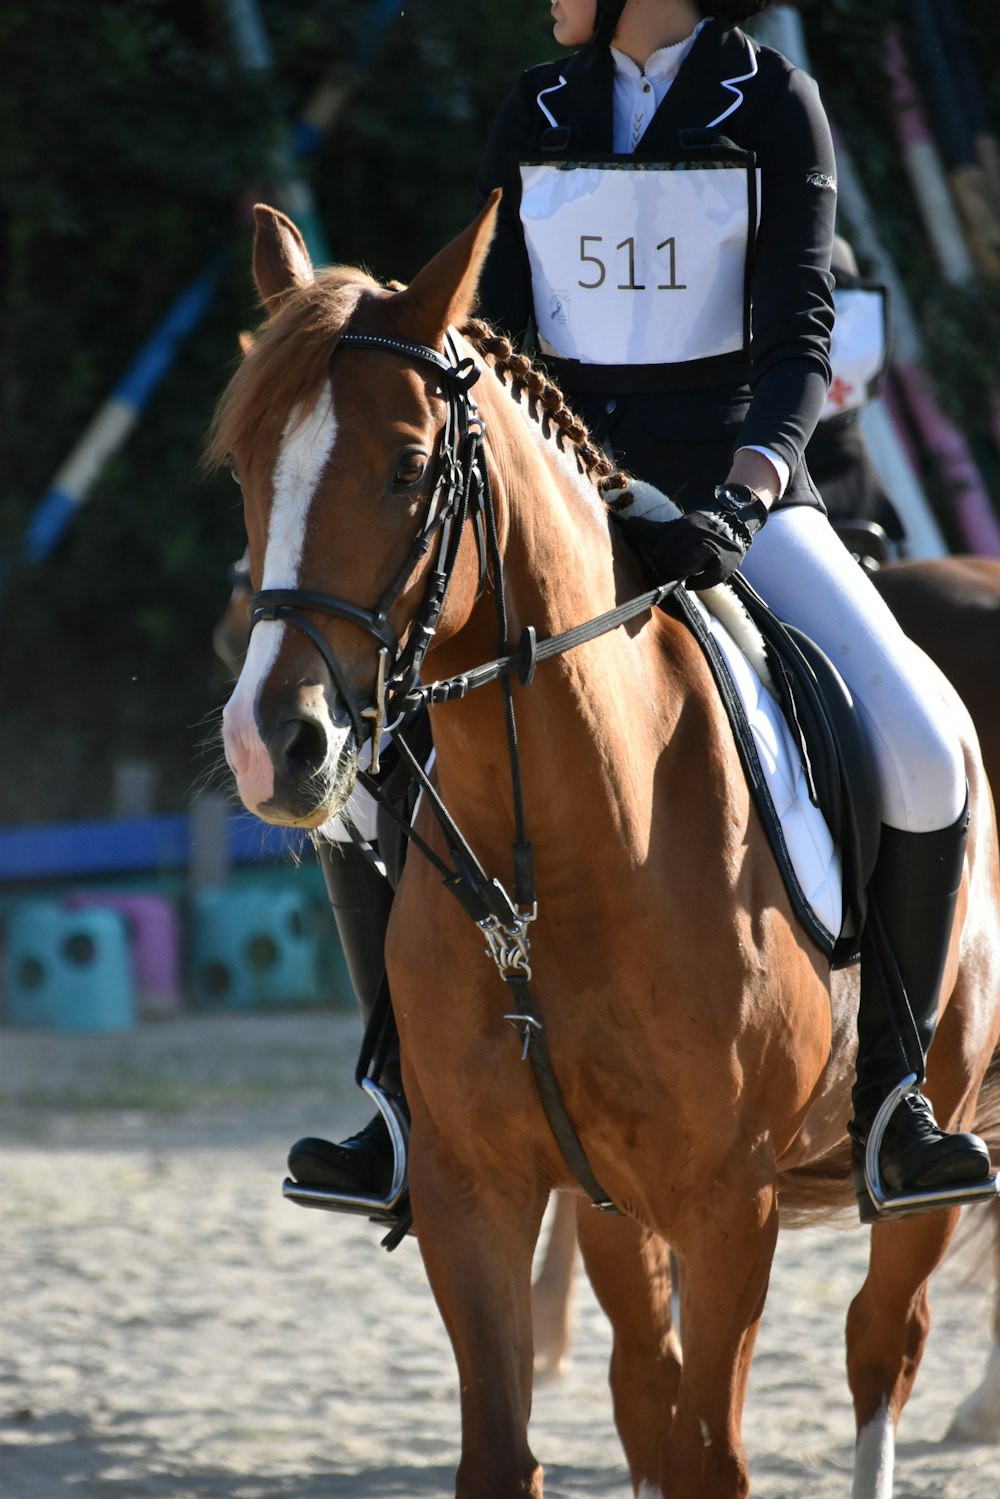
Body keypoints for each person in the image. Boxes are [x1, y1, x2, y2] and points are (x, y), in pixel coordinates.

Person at [290, 0, 992, 1218]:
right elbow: (496, 339)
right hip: (563, 505)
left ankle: (894, 1103)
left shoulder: (772, 103)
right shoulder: (539, 107)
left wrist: (740, 493)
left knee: (926, 749)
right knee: (358, 780)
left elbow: (800, 338)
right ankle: (397, 1102)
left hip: (738, 494)